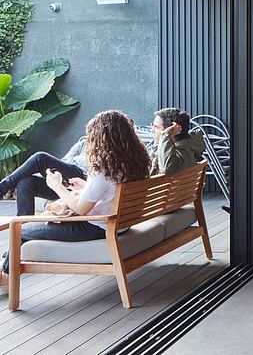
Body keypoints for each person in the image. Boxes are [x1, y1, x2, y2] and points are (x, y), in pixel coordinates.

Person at [1, 109, 151, 294]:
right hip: (121, 223)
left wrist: (57, 186)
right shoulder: (139, 162)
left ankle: (6, 276)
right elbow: (109, 191)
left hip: (96, 226)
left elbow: (80, 210)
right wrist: (86, 185)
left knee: (19, 230)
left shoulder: (104, 169)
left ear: (103, 139)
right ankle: (10, 259)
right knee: (27, 182)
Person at [0, 135, 89, 218]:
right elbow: (65, 161)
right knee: (26, 182)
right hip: (64, 178)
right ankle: (23, 226)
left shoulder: (101, 148)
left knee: (40, 158)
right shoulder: (84, 142)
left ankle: (2, 188)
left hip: (80, 179)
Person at [150, 107, 205, 176]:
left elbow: (167, 169)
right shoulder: (188, 148)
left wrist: (165, 135)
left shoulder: (181, 154)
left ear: (173, 129)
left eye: (156, 127)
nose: (152, 130)